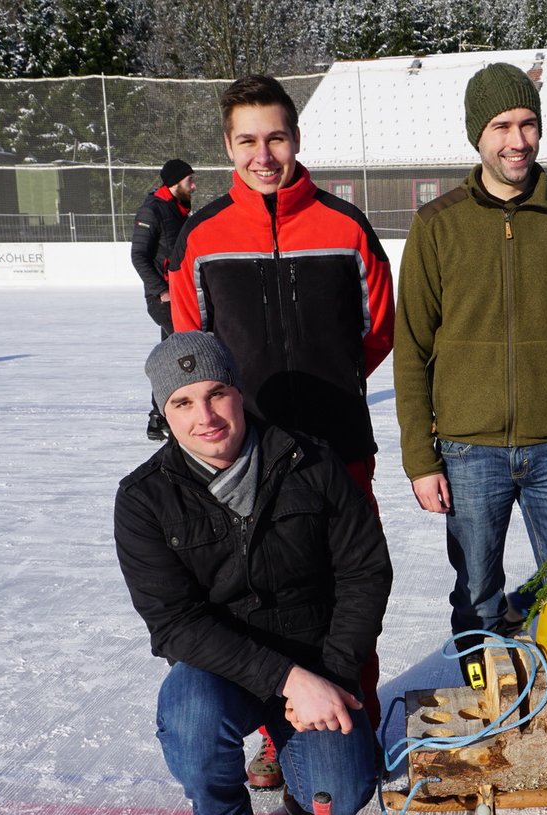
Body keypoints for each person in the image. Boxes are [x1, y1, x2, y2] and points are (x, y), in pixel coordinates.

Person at [113, 332, 391, 815]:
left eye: (216, 393)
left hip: (318, 655)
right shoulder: (144, 498)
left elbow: (365, 572)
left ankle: (299, 764)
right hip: (223, 669)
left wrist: (335, 674)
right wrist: (289, 681)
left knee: (339, 796)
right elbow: (174, 624)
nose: (206, 416)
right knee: (189, 712)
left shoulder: (312, 462)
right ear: (164, 413)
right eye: (183, 403)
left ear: (239, 392)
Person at [168, 74, 394, 777]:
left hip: (338, 445)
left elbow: (376, 331)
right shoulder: (202, 236)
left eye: (276, 138)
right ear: (226, 146)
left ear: (295, 139)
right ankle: (277, 730)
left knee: (347, 588)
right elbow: (190, 350)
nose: (263, 155)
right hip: (247, 456)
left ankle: (354, 718)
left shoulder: (345, 226)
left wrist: (330, 388)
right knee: (262, 593)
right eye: (247, 141)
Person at [394, 62, 547, 679]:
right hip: (468, 450)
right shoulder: (437, 224)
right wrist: (420, 459)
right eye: (501, 126)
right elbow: (411, 348)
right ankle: (485, 706)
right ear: (478, 134)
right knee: (477, 594)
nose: (517, 141)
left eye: (527, 124)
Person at [130, 158, 195, 441]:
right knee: (187, 352)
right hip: (164, 299)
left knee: (174, 353)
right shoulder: (153, 210)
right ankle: (166, 416)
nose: (194, 186)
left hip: (180, 295)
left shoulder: (178, 209)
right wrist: (160, 290)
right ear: (175, 182)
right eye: (189, 180)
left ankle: (158, 419)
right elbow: (138, 255)